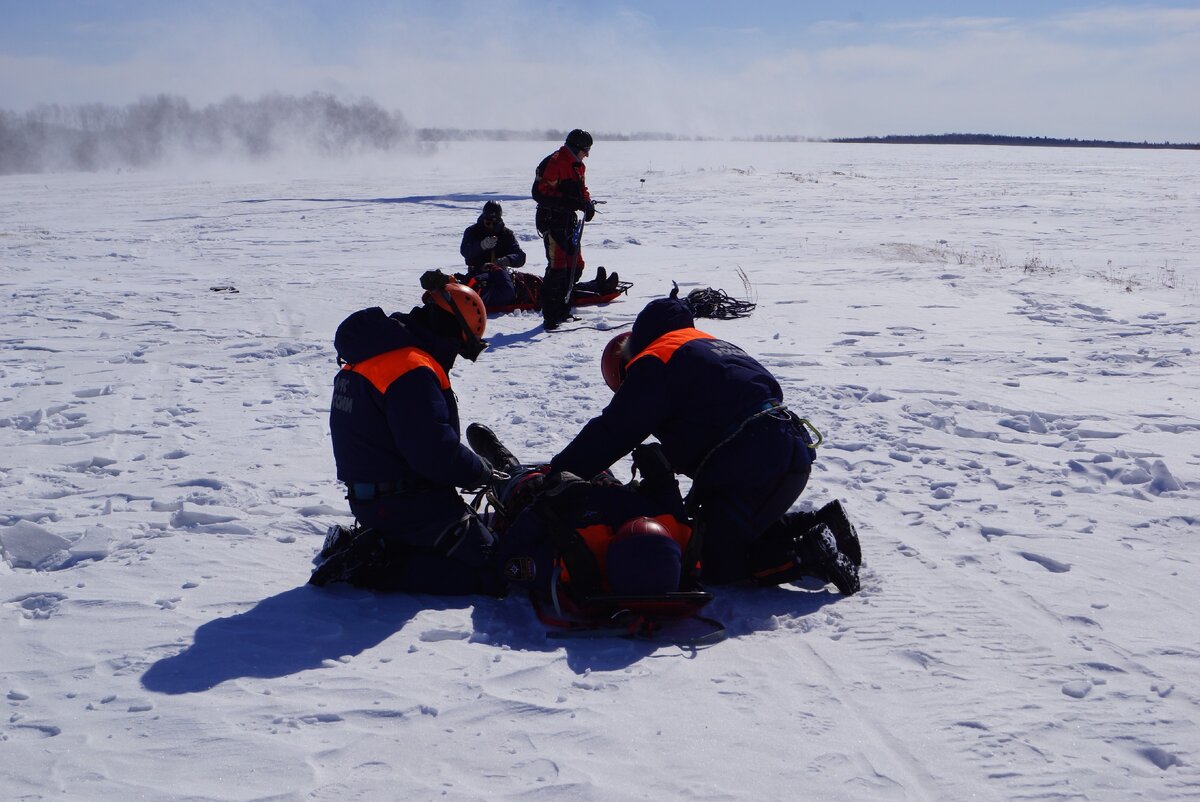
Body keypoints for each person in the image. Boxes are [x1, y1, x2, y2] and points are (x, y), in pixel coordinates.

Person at [546, 293, 862, 594]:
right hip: (787, 443)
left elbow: (614, 430)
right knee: (712, 527)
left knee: (709, 560)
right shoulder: (705, 345)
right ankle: (822, 524)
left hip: (752, 456)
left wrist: (559, 472)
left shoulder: (653, 362)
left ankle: (806, 552)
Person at [313, 271, 504, 595]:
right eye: (460, 347)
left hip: (380, 498)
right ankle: (378, 563)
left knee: (482, 532)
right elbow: (434, 453)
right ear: (453, 332)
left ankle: (370, 543)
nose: (455, 358)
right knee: (496, 569)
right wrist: (482, 473)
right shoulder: (411, 369)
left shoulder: (375, 353)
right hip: (407, 505)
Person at [466, 423, 705, 624]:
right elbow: (675, 514)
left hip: (555, 501)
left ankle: (503, 461)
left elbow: (508, 558)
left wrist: (543, 508)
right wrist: (663, 480)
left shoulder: (573, 566)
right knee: (596, 466)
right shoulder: (671, 541)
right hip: (607, 492)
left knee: (521, 482)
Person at [532, 128, 597, 329]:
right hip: (551, 220)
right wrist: (572, 202)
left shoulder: (579, 166)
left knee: (576, 265)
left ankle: (563, 308)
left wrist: (587, 204)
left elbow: (581, 190)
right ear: (575, 147)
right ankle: (550, 315)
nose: (587, 154)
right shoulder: (555, 162)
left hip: (568, 220)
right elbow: (540, 192)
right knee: (558, 267)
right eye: (585, 150)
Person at [459, 201, 526, 309]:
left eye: (495, 223)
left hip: (500, 274)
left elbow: (520, 256)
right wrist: (481, 246)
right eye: (488, 222)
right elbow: (465, 251)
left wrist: (506, 260)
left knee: (507, 291)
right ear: (483, 219)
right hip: (477, 272)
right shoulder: (472, 231)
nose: (491, 226)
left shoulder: (506, 234)